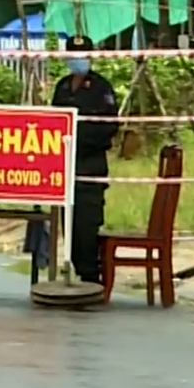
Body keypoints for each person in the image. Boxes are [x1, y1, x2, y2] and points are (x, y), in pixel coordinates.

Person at [51, 34, 120, 284]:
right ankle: (74, 270)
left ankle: (91, 276)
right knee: (67, 223)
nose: (78, 60)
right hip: (65, 166)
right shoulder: (62, 87)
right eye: (74, 56)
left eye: (83, 55)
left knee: (87, 223)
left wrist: (80, 138)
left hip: (90, 165)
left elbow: (110, 126)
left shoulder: (101, 88)